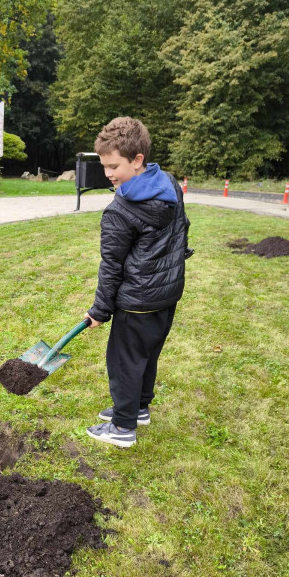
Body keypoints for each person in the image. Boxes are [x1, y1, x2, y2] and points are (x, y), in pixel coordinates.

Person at [84, 117, 192, 448]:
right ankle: (138, 408)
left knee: (125, 362)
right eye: (104, 167)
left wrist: (100, 310)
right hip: (168, 294)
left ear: (137, 160)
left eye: (114, 166)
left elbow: (112, 266)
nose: (108, 174)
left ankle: (122, 427)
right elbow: (182, 228)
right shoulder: (171, 185)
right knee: (147, 354)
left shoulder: (120, 211)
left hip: (137, 301)